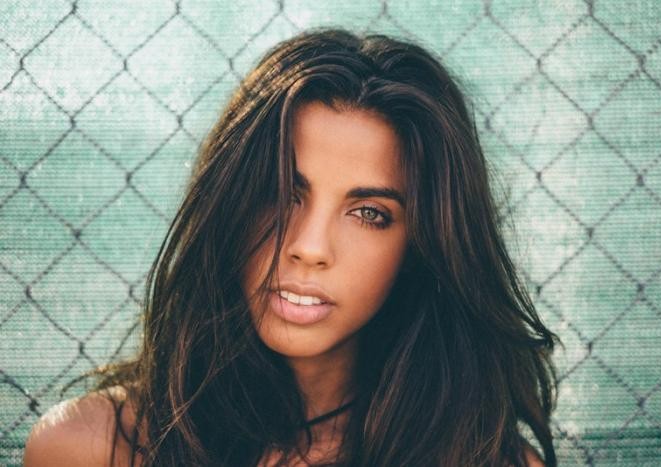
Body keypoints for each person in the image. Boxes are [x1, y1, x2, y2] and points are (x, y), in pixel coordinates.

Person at [23, 28, 558, 466]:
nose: (309, 247)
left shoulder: (482, 461)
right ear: (228, 203)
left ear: (422, 246)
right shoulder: (89, 448)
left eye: (369, 213)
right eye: (280, 192)